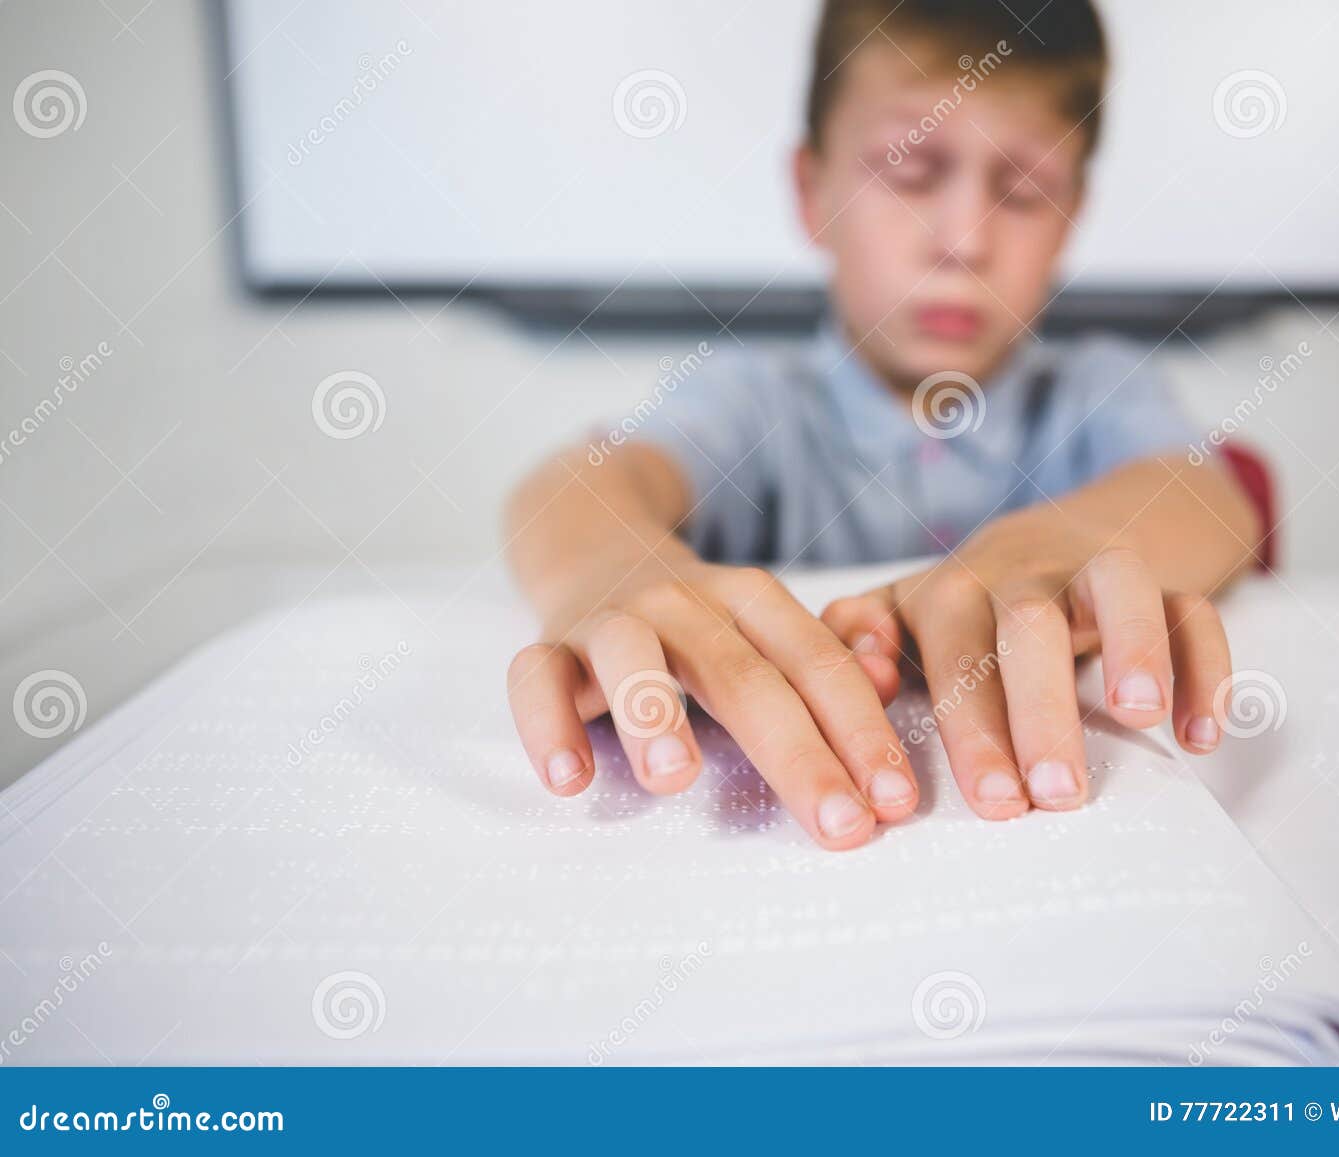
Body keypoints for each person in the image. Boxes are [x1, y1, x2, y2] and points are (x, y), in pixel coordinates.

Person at [503, 0, 1263, 850]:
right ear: (812, 191)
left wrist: (1051, 550)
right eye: (908, 171)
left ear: (1072, 218)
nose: (962, 240)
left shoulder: (1098, 389)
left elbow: (1208, 498)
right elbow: (579, 486)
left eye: (1023, 190)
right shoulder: (753, 398)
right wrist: (606, 566)